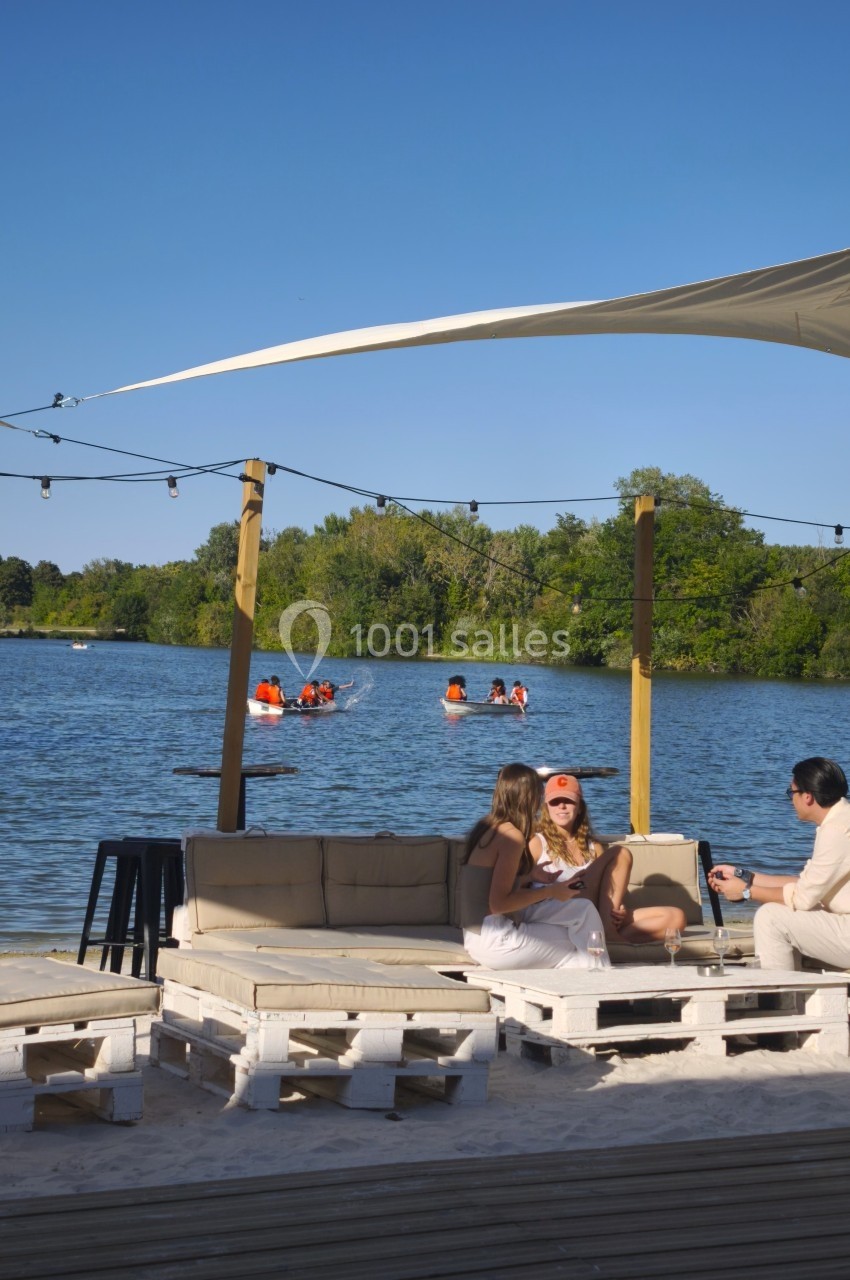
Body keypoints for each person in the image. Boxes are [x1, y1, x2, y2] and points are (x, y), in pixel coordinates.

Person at [460, 762, 609, 970]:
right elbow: (499, 904)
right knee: (581, 936)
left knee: (582, 926)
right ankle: (602, 988)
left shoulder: (487, 826)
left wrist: (528, 878)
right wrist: (552, 891)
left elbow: (485, 887)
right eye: (538, 794)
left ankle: (591, 986)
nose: (540, 801)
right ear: (527, 796)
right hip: (497, 942)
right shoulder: (511, 837)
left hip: (476, 937)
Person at [709, 757, 850, 971]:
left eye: (791, 793)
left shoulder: (836, 831)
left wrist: (746, 892)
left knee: (771, 917)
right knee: (782, 909)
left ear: (808, 797)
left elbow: (801, 898)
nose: (790, 800)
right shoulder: (840, 819)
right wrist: (745, 875)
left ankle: (782, 996)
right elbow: (806, 886)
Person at [531, 775, 687, 943]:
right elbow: (518, 886)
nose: (561, 806)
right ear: (546, 808)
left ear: (580, 807)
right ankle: (609, 934)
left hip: (594, 910)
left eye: (568, 801)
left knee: (676, 917)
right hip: (558, 906)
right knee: (620, 853)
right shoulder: (537, 842)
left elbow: (610, 892)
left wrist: (620, 911)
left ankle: (608, 939)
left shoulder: (593, 847)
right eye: (555, 801)